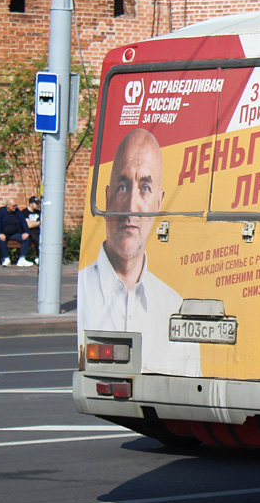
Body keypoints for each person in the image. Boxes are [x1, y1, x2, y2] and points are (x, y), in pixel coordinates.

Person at [78, 128, 196, 376]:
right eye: (122, 187)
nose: (131, 206)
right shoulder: (84, 288)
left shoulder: (173, 306)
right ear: (108, 197)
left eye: (144, 187)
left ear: (159, 203)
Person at [0, 199, 33, 266]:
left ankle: (22, 259)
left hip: (15, 233)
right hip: (4, 233)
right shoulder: (1, 211)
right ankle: (6, 259)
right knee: (1, 239)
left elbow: (23, 222)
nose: (15, 207)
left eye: (15, 205)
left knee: (26, 239)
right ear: (8, 206)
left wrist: (26, 232)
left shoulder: (17, 211)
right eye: (13, 206)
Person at [23, 196, 41, 263]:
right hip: (29, 231)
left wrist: (34, 223)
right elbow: (29, 225)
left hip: (38, 231)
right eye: (36, 203)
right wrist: (39, 222)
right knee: (37, 239)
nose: (38, 205)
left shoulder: (39, 212)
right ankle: (38, 257)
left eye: (38, 203)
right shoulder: (24, 212)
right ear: (31, 204)